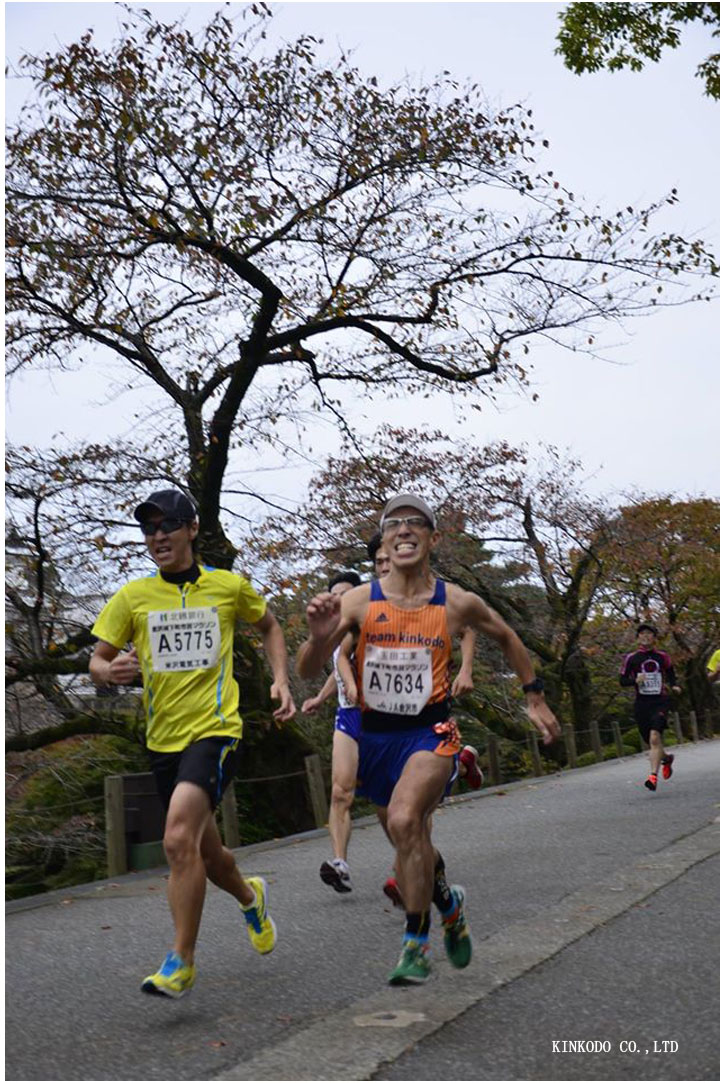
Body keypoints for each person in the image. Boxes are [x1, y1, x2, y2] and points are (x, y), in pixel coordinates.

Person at [297, 494, 560, 985]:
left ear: (433, 538)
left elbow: (507, 637)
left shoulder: (456, 602)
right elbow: (309, 670)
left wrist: (534, 696)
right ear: (385, 540)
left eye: (415, 523)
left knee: (403, 818)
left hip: (429, 732)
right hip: (374, 736)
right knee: (406, 837)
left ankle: (415, 943)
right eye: (393, 524)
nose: (403, 530)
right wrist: (318, 636)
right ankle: (451, 907)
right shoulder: (358, 600)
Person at [89, 489, 296, 998]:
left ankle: (181, 960)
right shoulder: (133, 597)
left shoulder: (227, 587)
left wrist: (280, 679)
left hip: (216, 732)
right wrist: (108, 671)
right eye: (149, 529)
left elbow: (269, 626)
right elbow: (96, 659)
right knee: (206, 852)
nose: (158, 536)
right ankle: (251, 896)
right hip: (163, 740)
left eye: (168, 525)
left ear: (191, 529)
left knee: (177, 839)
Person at [301, 571, 362, 893]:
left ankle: (414, 859)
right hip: (348, 716)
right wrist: (321, 698)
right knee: (341, 792)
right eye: (335, 596)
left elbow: (347, 667)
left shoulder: (372, 623)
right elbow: (339, 668)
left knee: (394, 802)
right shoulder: (336, 635)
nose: (341, 601)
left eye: (347, 594)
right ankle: (340, 863)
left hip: (384, 718)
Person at [619, 623, 681, 792]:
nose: (645, 636)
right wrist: (635, 681)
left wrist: (674, 685)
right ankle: (666, 759)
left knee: (655, 738)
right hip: (642, 704)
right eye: (642, 634)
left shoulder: (663, 657)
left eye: (649, 634)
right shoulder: (631, 658)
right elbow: (622, 681)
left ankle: (652, 777)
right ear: (638, 638)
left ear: (654, 638)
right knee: (651, 741)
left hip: (660, 701)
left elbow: (671, 674)